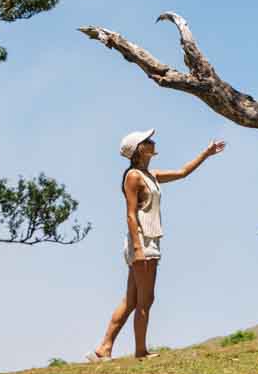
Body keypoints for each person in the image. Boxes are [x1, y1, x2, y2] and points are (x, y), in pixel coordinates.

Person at [87, 128, 226, 361]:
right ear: (140, 149)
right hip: (142, 241)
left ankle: (103, 349)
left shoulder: (149, 175)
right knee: (146, 299)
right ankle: (140, 351)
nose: (153, 142)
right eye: (148, 140)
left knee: (132, 299)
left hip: (149, 240)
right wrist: (139, 248)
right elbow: (130, 214)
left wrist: (206, 153)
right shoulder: (133, 176)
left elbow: (182, 172)